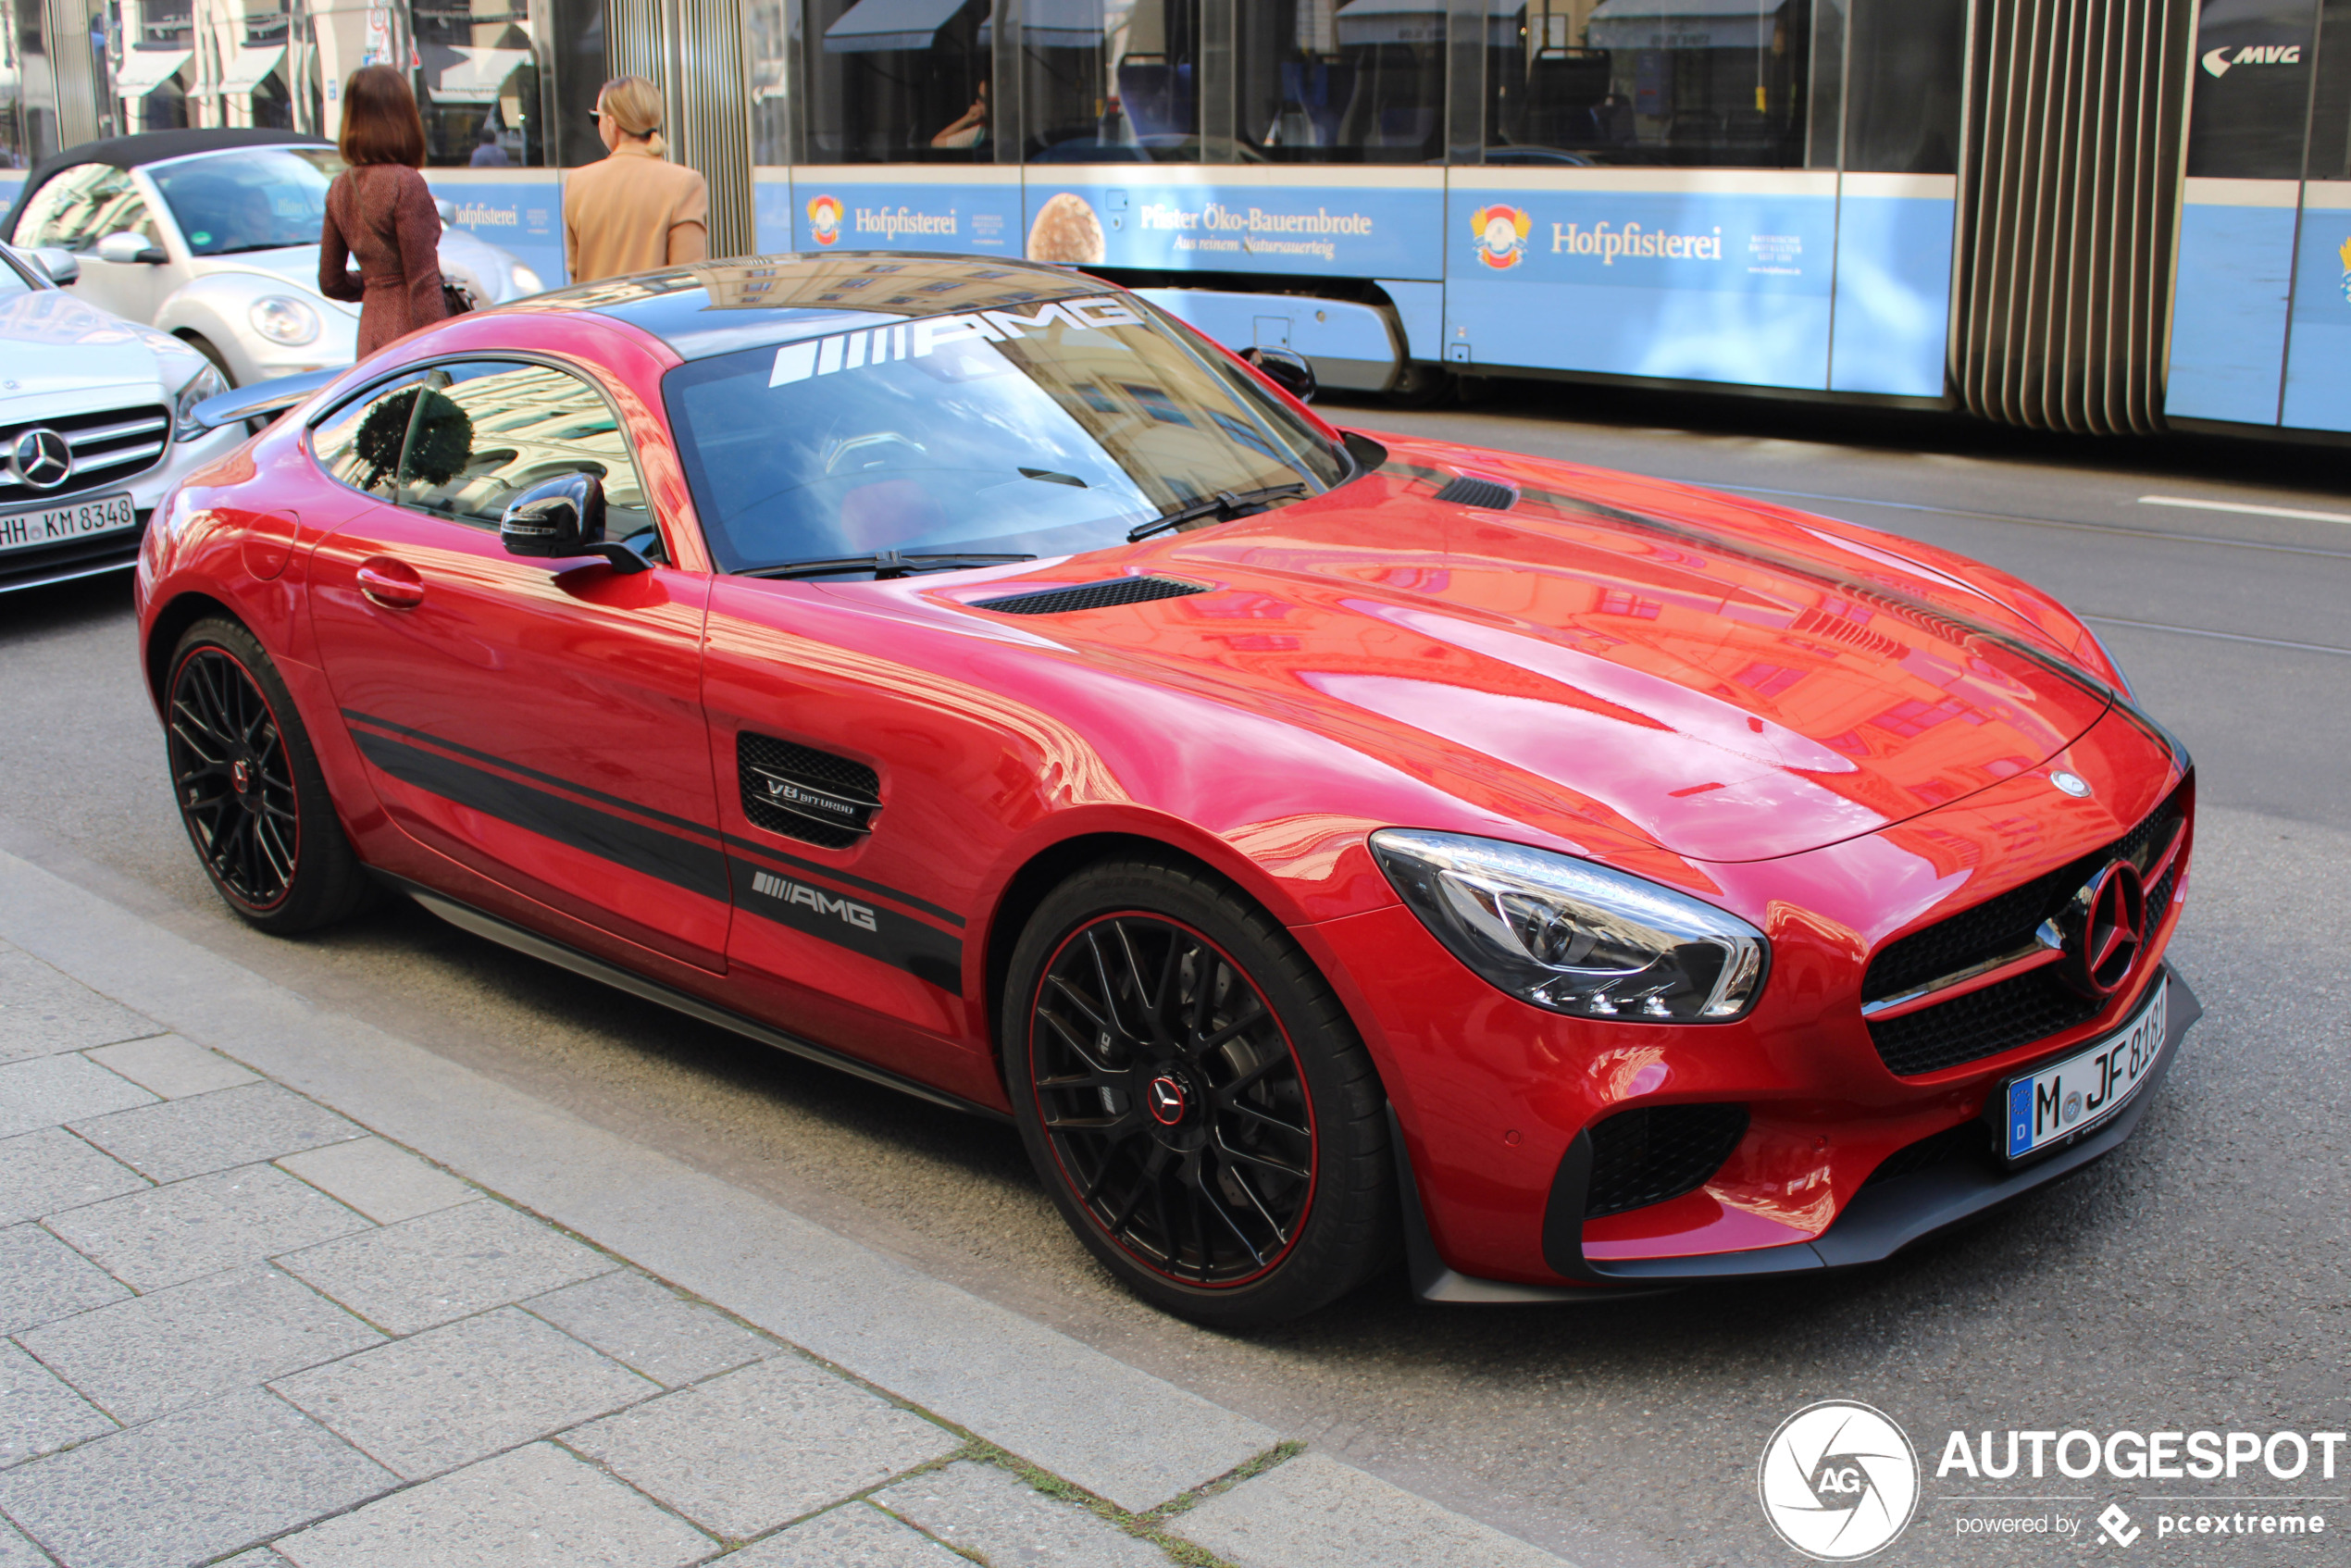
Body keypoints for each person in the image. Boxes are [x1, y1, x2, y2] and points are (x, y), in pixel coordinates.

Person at [318, 66, 445, 358]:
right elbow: (423, 282)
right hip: (408, 335)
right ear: (403, 118)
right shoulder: (405, 182)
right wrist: (443, 351)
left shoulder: (339, 187)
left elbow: (330, 281)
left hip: (369, 336)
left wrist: (375, 285)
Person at [563, 77, 707, 283]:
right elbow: (687, 278)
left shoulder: (577, 182)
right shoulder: (686, 183)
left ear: (611, 124)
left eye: (597, 118)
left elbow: (576, 276)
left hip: (595, 315)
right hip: (652, 316)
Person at [931, 80, 988, 150]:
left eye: (982, 99)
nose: (977, 101)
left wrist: (968, 118)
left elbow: (936, 143)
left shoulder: (980, 132)